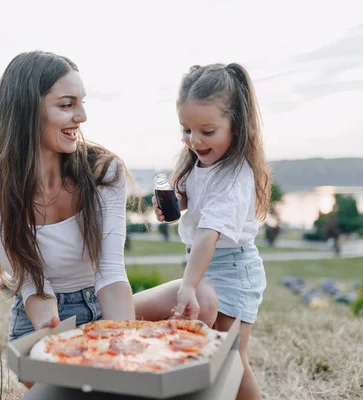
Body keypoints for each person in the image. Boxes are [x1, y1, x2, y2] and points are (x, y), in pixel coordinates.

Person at [0, 51, 218, 350]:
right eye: (66, 105)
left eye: (81, 103)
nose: (82, 116)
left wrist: (123, 345)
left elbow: (110, 270)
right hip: (45, 319)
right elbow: (34, 286)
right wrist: (56, 335)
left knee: (202, 296)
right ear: (26, 110)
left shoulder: (103, 172)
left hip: (103, 304)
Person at [153, 63, 270, 400]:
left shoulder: (235, 175)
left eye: (207, 131)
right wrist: (175, 202)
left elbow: (208, 234)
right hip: (207, 265)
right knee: (211, 353)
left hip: (233, 269)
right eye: (186, 130)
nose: (194, 140)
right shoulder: (200, 163)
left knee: (230, 353)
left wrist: (188, 284)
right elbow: (194, 201)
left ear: (237, 125)